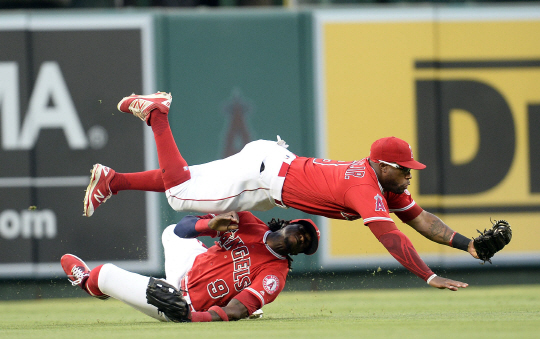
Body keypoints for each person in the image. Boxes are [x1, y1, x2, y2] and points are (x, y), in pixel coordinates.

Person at [83, 91, 472, 292]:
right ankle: (156, 114)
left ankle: (113, 181)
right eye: (405, 170)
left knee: (186, 179)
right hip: (267, 176)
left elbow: (419, 219)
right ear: (384, 166)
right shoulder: (364, 186)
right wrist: (427, 274)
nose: (409, 176)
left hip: (271, 172)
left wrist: (468, 244)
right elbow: (390, 237)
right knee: (180, 194)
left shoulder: (382, 182)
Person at [62, 210, 320, 322]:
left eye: (306, 244)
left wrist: (188, 316)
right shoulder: (248, 222)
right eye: (302, 231)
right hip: (187, 267)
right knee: (170, 233)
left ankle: (87, 283)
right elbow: (182, 228)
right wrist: (209, 225)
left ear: (300, 252)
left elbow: (236, 310)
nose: (303, 238)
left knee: (104, 274)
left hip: (181, 301)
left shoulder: (276, 274)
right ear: (289, 224)